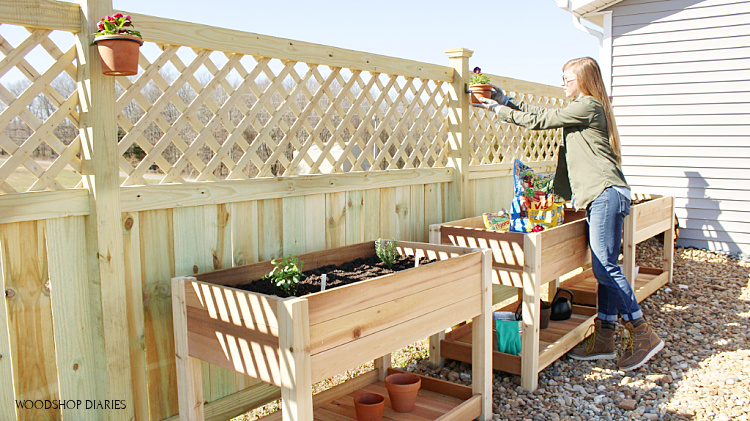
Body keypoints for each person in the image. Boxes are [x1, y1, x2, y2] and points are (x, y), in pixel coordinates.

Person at [473, 57, 663, 371]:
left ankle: (643, 334)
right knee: (605, 270)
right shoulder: (584, 107)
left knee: (606, 269)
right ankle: (605, 337)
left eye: (567, 78)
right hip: (604, 197)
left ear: (584, 80)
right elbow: (543, 115)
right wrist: (506, 99)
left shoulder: (589, 105)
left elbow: (541, 120)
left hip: (605, 194)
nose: (563, 83)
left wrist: (496, 108)